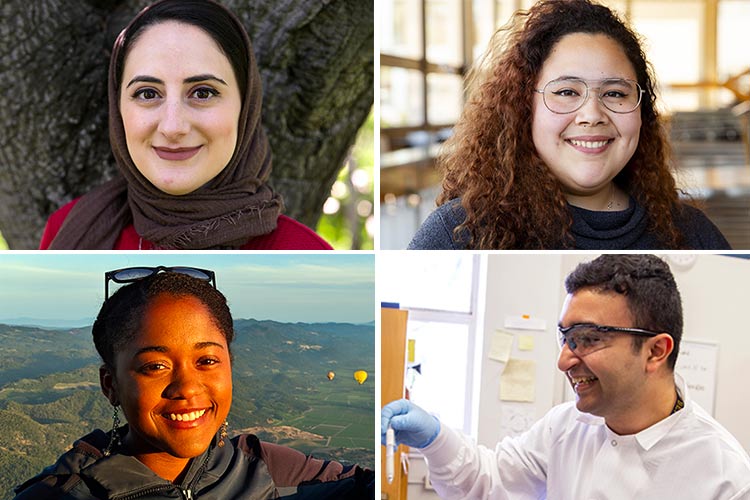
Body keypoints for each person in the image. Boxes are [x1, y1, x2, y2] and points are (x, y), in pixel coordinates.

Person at [382, 255, 750, 499]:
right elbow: (491, 480)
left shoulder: (725, 479)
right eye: (565, 338)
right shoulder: (566, 425)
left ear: (656, 351)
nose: (563, 361)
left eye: (586, 339)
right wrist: (434, 437)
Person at [14, 268, 373, 499]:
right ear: (110, 385)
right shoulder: (61, 494)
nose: (186, 387)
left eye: (207, 361)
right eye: (155, 365)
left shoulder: (263, 466)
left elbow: (375, 486)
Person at [408, 0, 730, 250]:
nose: (592, 114)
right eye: (566, 92)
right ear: (524, 107)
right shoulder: (460, 234)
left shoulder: (693, 234)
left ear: (642, 111)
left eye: (615, 93)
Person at [39, 0, 332, 250]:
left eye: (203, 92)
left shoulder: (304, 254)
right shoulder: (67, 229)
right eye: (147, 93)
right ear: (118, 109)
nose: (173, 126)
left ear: (246, 108)